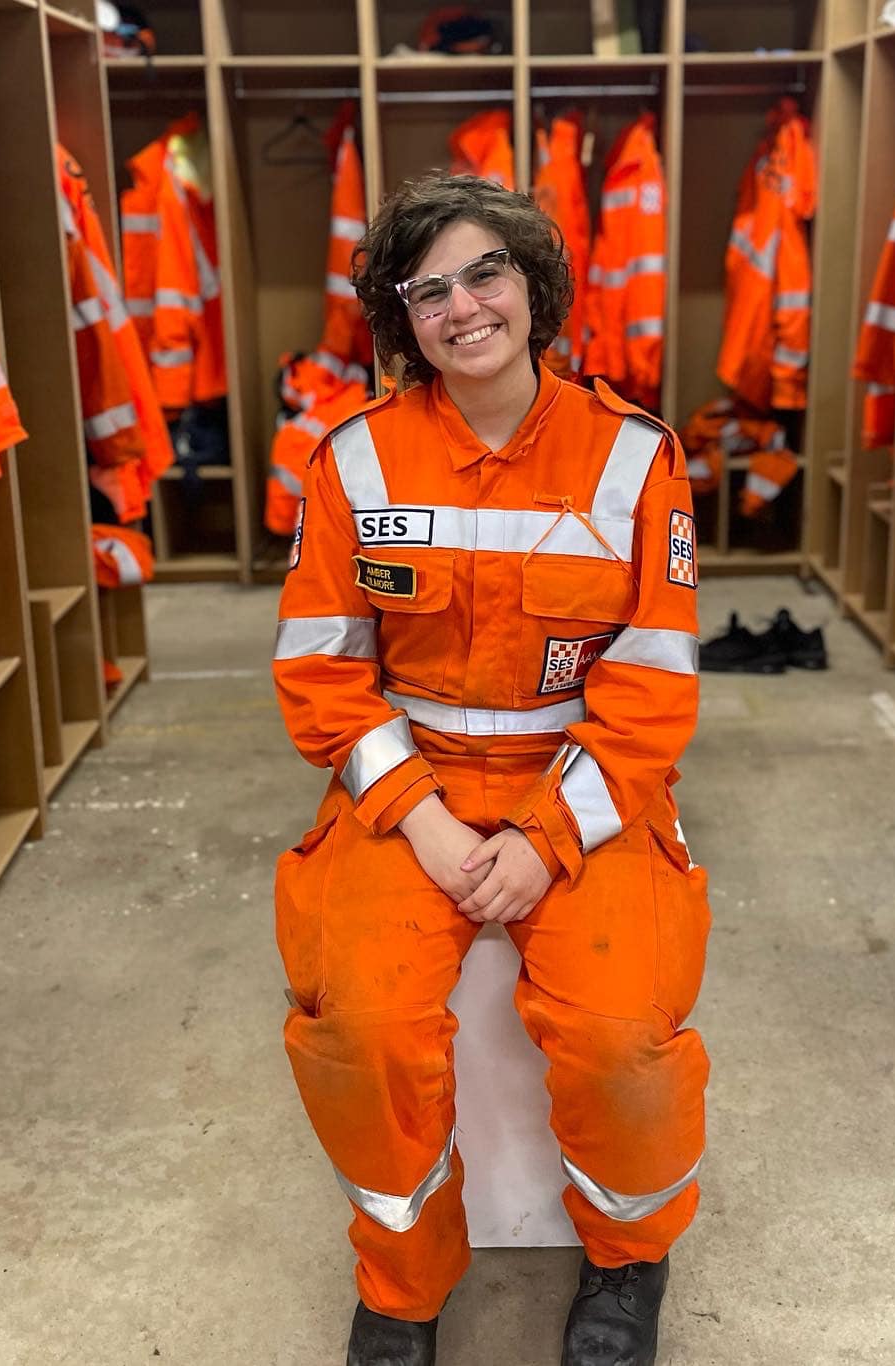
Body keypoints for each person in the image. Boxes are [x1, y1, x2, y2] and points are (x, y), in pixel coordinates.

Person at [271, 172, 711, 1366]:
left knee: (623, 1039)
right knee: (359, 1030)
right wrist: (420, 819)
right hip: (405, 792)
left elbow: (653, 687)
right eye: (429, 292)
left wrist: (547, 837)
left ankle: (629, 1260)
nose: (463, 308)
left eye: (486, 274)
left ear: (535, 287)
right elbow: (321, 672)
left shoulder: (635, 458)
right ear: (400, 318)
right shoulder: (353, 459)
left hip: (584, 788)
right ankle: (401, 1283)